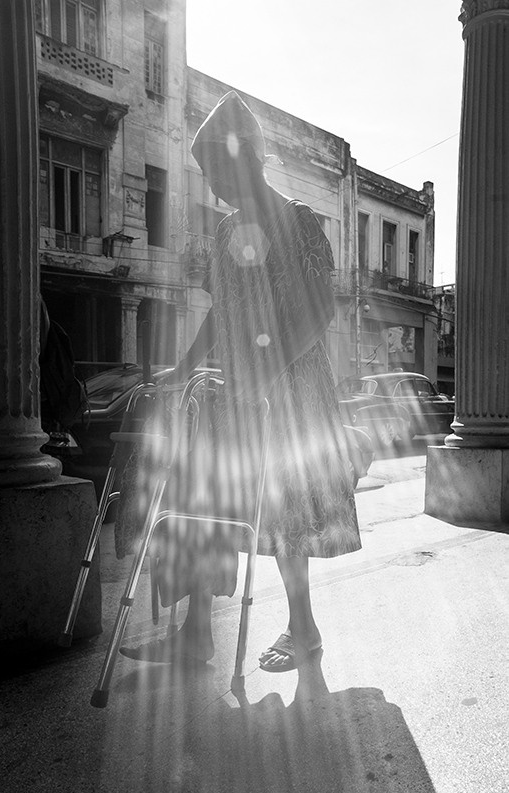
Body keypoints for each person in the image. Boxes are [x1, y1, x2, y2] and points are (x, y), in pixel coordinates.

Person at [120, 91, 360, 672]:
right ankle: (196, 634)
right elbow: (219, 312)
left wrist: (270, 370)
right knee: (208, 501)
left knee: (288, 510)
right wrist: (182, 368)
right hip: (236, 393)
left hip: (291, 392)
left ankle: (304, 630)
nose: (213, 187)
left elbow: (318, 311)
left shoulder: (299, 221)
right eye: (206, 175)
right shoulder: (228, 231)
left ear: (246, 156)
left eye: (217, 171)